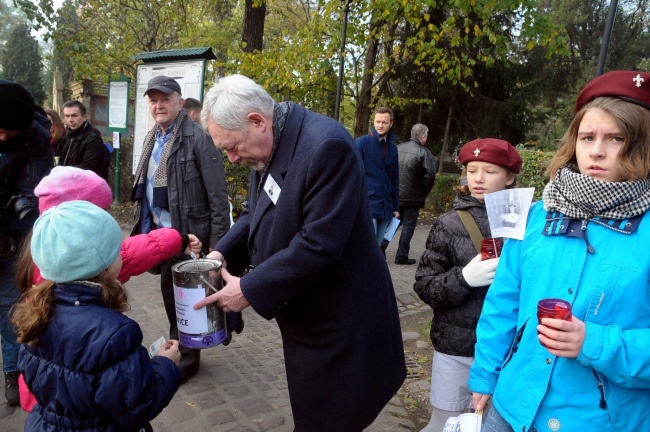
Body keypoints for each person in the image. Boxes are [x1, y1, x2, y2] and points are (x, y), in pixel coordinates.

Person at [196, 74, 406, 431]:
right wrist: (220, 254)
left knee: (327, 419)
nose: (231, 158)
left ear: (257, 121)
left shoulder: (326, 145)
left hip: (340, 322)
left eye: (232, 146)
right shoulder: (268, 145)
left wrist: (246, 290)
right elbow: (256, 211)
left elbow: (318, 245)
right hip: (309, 315)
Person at [469, 70, 650, 432]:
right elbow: (504, 301)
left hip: (599, 421)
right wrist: (485, 375)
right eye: (587, 137)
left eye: (616, 138)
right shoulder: (538, 216)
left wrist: (595, 342)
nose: (597, 150)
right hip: (512, 406)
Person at [15, 165, 202, 412]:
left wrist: (177, 240)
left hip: (43, 408)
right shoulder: (115, 334)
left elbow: (132, 252)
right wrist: (165, 366)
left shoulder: (46, 274)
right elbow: (137, 400)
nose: (119, 253)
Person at [414, 138, 522, 432]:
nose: (478, 178)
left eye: (490, 171)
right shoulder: (449, 223)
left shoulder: (530, 222)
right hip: (457, 349)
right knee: (445, 424)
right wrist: (463, 279)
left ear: (510, 177)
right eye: (472, 170)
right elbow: (425, 285)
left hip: (508, 352)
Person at [131, 75, 231, 382]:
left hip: (192, 240)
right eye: (154, 100)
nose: (159, 105)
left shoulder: (198, 139)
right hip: (163, 239)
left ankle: (188, 359)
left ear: (180, 103)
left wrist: (218, 249)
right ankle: (182, 347)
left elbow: (217, 199)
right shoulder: (152, 138)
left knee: (190, 300)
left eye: (165, 99)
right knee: (170, 298)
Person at [0, 79, 52, 405]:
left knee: (9, 302)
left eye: (10, 133)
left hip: (10, 231)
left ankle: (13, 370)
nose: (3, 137)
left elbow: (31, 193)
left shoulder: (37, 137)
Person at [356, 106, 400, 247]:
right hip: (368, 203)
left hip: (386, 205)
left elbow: (395, 178)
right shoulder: (362, 143)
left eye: (384, 122)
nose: (380, 125)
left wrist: (396, 207)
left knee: (379, 245)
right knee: (369, 244)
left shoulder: (393, 148)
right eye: (377, 121)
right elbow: (353, 174)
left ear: (391, 123)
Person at [395, 123, 437, 264]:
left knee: (392, 223)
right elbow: (430, 175)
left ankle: (380, 248)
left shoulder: (397, 148)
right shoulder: (424, 152)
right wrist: (423, 191)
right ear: (423, 137)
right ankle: (401, 256)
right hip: (413, 197)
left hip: (395, 195)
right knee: (408, 225)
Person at [56, 100, 110, 179]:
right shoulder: (68, 135)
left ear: (85, 117)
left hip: (84, 184)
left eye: (74, 115)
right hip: (67, 180)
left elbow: (88, 167)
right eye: (67, 116)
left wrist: (64, 172)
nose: (70, 120)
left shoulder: (93, 138)